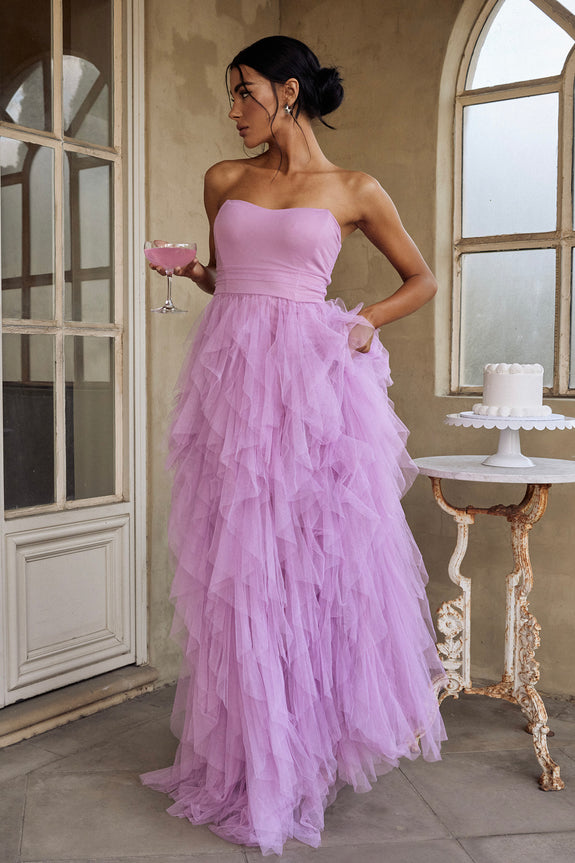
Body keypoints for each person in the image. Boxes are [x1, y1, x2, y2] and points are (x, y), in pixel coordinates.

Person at [141, 35, 446, 857]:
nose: (231, 109)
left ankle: (301, 755)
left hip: (312, 388)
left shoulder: (354, 188)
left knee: (311, 565)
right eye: (230, 94)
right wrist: (194, 276)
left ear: (286, 91)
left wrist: (364, 322)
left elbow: (420, 278)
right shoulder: (224, 179)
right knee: (242, 566)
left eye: (243, 92)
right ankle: (250, 758)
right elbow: (231, 277)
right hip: (233, 391)